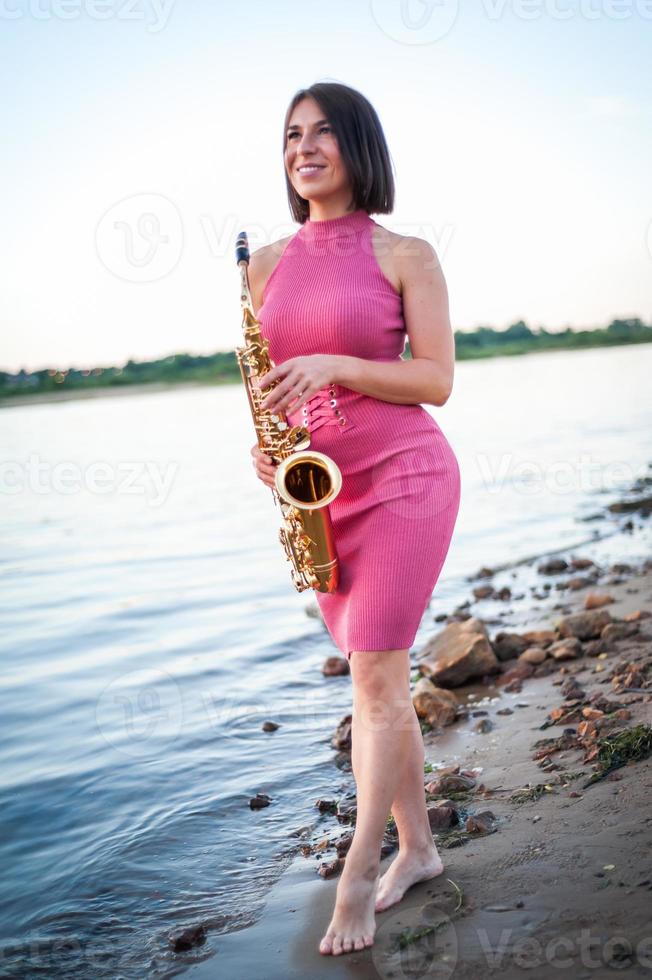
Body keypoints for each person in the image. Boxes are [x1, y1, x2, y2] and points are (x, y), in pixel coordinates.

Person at [246, 81, 461, 957]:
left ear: (358, 146)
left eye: (324, 131)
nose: (304, 147)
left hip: (406, 475)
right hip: (322, 495)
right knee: (380, 682)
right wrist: (264, 454)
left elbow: (436, 378)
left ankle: (359, 875)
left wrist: (337, 362)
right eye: (292, 134)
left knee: (373, 678)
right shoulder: (261, 265)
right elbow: (262, 382)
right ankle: (420, 849)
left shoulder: (406, 252)